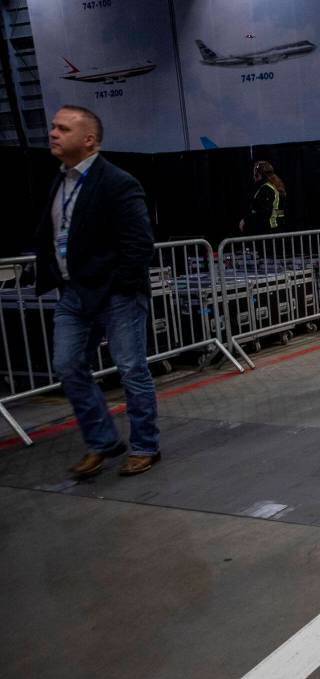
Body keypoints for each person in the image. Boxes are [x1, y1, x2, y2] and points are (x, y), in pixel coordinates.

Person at [36, 105, 159, 478]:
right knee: (68, 366)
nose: (53, 133)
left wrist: (118, 284)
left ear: (88, 140)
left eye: (63, 128)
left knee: (132, 370)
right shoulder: (60, 182)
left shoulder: (118, 182)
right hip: (73, 294)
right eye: (53, 127)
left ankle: (144, 446)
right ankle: (102, 441)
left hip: (116, 294)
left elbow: (139, 245)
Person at [239, 161, 286, 235]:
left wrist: (246, 220)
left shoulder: (266, 189)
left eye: (255, 174)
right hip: (276, 230)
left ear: (258, 174)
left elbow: (265, 212)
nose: (253, 176)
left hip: (269, 232)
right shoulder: (273, 186)